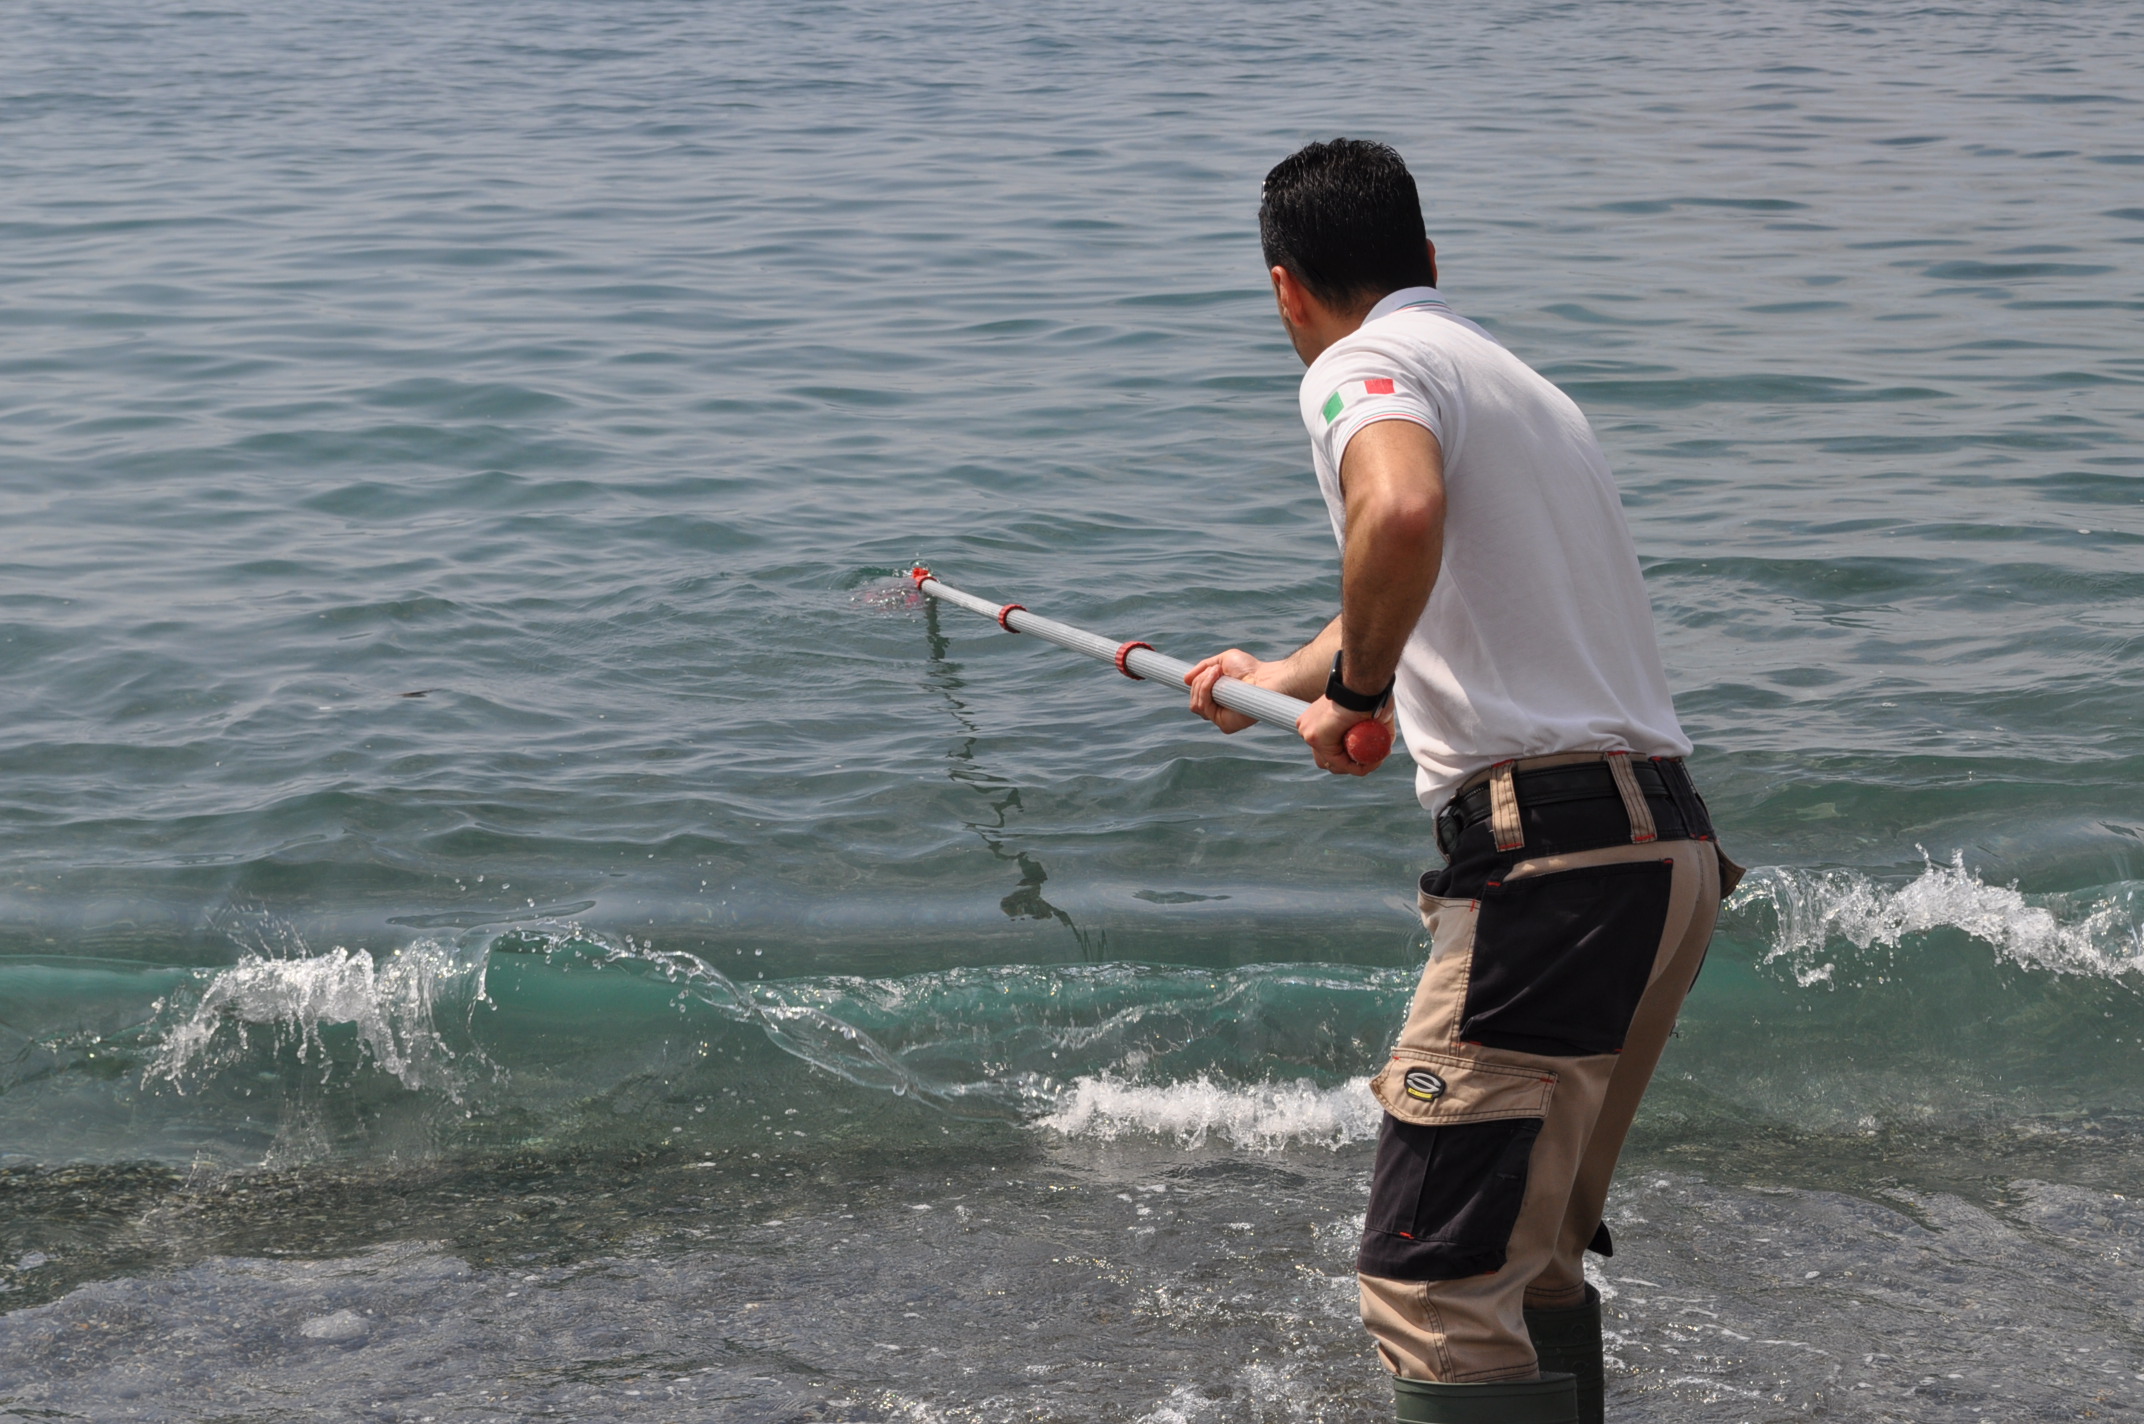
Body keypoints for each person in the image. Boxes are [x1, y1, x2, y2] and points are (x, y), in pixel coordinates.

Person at [1185, 138, 1741, 1424]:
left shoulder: (1354, 363)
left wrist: (1366, 695)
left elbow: (1399, 518)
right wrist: (1297, 670)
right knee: (1530, 1260)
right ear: (1428, 261)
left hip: (1546, 869)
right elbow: (1442, 570)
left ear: (1285, 288)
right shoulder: (1517, 383)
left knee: (1430, 1286)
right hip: (1661, 853)